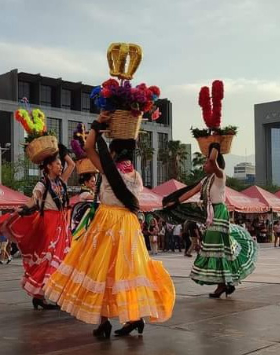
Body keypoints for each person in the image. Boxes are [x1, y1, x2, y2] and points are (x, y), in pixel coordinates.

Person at [44, 112, 174, 339]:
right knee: (127, 272)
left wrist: (98, 123)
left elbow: (90, 147)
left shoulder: (107, 170)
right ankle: (133, 317)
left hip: (107, 223)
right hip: (129, 225)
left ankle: (104, 322)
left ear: (113, 152)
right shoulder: (136, 175)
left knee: (100, 271)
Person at [161, 143, 258, 298]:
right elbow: (190, 192)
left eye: (206, 162)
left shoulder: (220, 176)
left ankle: (225, 284)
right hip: (210, 214)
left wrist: (214, 145)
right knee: (218, 248)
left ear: (214, 164)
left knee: (216, 247)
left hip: (219, 211)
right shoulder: (205, 181)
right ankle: (225, 284)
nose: (204, 165)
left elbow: (213, 162)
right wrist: (176, 202)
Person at [0, 144, 75, 309]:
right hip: (49, 224)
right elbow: (32, 201)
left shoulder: (61, 181)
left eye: (59, 163)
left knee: (64, 258)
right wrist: (21, 210)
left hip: (63, 224)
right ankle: (44, 296)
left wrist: (61, 152)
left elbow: (72, 164)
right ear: (49, 166)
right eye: (57, 163)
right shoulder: (42, 184)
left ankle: (44, 296)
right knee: (49, 258)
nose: (60, 166)